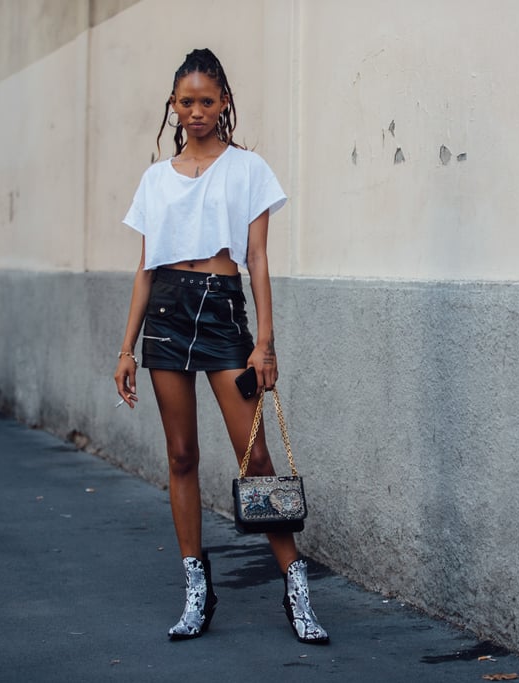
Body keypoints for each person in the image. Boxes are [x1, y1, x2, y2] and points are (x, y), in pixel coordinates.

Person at [113, 48, 329, 644]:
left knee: (255, 460)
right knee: (180, 456)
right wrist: (127, 347)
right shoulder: (155, 179)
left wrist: (265, 342)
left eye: (208, 100)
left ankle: (296, 588)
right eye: (187, 102)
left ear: (224, 103)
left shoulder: (247, 169)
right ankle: (196, 592)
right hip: (165, 314)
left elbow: (257, 258)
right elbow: (143, 267)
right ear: (174, 106)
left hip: (221, 310)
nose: (196, 111)